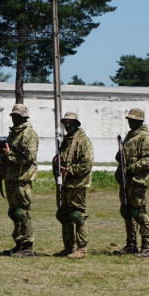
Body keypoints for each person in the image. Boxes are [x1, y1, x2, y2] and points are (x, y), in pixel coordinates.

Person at [0, 104, 39, 257]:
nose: (14, 118)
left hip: (22, 178)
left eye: (17, 116)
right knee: (14, 212)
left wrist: (8, 154)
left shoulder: (28, 134)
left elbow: (28, 158)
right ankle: (19, 244)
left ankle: (27, 246)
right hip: (11, 177)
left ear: (23, 117)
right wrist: (1, 149)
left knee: (22, 212)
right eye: (13, 116)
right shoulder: (14, 133)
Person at [114, 108, 149, 258]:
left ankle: (146, 245)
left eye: (132, 120)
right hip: (126, 182)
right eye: (129, 119)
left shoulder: (145, 137)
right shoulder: (129, 136)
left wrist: (130, 168)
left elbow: (148, 160)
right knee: (127, 212)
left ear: (139, 121)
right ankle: (131, 243)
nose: (129, 122)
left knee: (139, 213)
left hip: (137, 182)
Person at [52, 111, 94, 259]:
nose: (67, 125)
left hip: (77, 184)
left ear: (76, 124)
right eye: (65, 123)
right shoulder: (66, 140)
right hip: (64, 184)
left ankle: (81, 249)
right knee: (64, 215)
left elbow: (86, 164)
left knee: (77, 215)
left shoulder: (83, 141)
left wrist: (68, 170)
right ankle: (68, 247)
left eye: (70, 122)